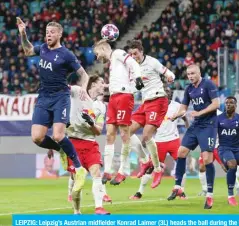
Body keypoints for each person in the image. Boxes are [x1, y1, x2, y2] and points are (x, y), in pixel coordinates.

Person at [17, 17, 89, 192]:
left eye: (52, 32)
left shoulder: (66, 54)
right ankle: (61, 150)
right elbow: (27, 50)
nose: (48, 35)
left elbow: (84, 74)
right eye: (47, 32)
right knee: (37, 138)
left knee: (58, 135)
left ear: (60, 34)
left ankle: (79, 169)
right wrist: (23, 34)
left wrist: (84, 89)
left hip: (60, 97)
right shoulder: (41, 48)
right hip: (43, 98)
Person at [111, 40, 176, 189]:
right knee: (126, 131)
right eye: (131, 54)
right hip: (145, 103)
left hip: (158, 100)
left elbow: (167, 72)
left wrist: (170, 76)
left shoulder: (152, 62)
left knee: (146, 136)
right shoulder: (133, 68)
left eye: (135, 53)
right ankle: (144, 160)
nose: (133, 57)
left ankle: (158, 169)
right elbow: (133, 87)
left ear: (141, 51)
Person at [167, 64, 219, 209]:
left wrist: (200, 113)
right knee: (181, 152)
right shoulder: (189, 89)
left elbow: (216, 104)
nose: (190, 76)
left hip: (209, 125)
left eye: (193, 73)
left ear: (199, 72)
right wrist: (176, 115)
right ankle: (178, 187)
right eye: (188, 74)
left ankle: (209, 195)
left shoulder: (208, 84)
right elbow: (183, 108)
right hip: (197, 125)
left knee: (207, 158)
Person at [92, 40, 144, 186]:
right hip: (114, 98)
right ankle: (108, 171)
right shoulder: (112, 64)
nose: (97, 58)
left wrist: (138, 77)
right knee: (109, 134)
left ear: (103, 48)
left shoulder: (118, 53)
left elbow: (133, 63)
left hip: (124, 96)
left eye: (97, 53)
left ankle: (123, 171)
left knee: (124, 134)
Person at [129, 86, 189, 199]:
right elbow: (148, 124)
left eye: (170, 92)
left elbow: (185, 119)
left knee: (181, 164)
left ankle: (181, 190)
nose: (168, 94)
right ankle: (139, 192)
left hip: (173, 140)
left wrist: (186, 122)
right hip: (159, 141)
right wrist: (144, 139)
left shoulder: (177, 106)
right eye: (166, 92)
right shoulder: (155, 105)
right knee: (150, 168)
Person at [65, 75, 110, 215]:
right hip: (73, 143)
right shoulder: (79, 93)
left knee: (96, 174)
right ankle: (76, 210)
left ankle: (99, 208)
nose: (105, 85)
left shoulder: (101, 107)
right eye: (102, 82)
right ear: (93, 84)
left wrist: (91, 123)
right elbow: (64, 88)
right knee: (76, 179)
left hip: (90, 143)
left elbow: (98, 130)